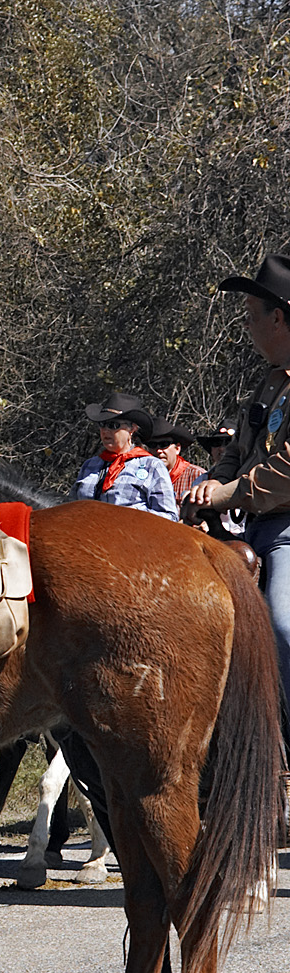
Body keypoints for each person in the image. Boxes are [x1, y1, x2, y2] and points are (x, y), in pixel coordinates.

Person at [186, 252, 290, 733]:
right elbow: (241, 448)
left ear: (279, 316)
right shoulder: (269, 383)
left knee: (283, 628)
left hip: (285, 531)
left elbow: (285, 471)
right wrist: (212, 478)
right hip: (251, 523)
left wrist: (229, 493)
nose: (246, 327)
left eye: (252, 316)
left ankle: (282, 740)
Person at [74, 393, 178, 520]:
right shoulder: (90, 465)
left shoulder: (152, 466)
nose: (105, 430)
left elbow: (169, 517)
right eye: (102, 424)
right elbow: (71, 507)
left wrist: (129, 517)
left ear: (132, 429)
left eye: (113, 425)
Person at [149, 417, 206, 500]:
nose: (158, 450)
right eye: (152, 445)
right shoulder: (143, 476)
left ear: (177, 448)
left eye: (164, 444)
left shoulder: (197, 476)